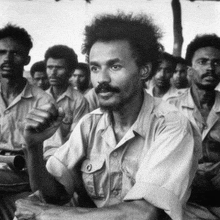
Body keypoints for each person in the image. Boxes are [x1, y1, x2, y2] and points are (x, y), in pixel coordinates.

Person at [16, 13, 199, 220]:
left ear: (144, 71)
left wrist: (47, 214)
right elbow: (54, 195)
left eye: (115, 66)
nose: (101, 79)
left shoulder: (172, 125)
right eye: (95, 67)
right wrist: (33, 147)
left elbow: (145, 213)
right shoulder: (90, 124)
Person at [0, 24, 54, 219]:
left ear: (27, 59)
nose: (7, 58)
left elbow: (50, 158)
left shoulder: (43, 102)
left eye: (15, 53)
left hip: (23, 172)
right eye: (2, 52)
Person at [168, 34, 220, 219]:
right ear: (190, 70)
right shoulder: (169, 108)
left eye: (216, 63)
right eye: (203, 62)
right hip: (184, 201)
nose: (210, 68)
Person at [43, 45, 89, 156]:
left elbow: (77, 139)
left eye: (59, 68)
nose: (53, 72)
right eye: (49, 67)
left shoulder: (79, 101)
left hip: (63, 158)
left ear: (70, 71)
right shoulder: (38, 98)